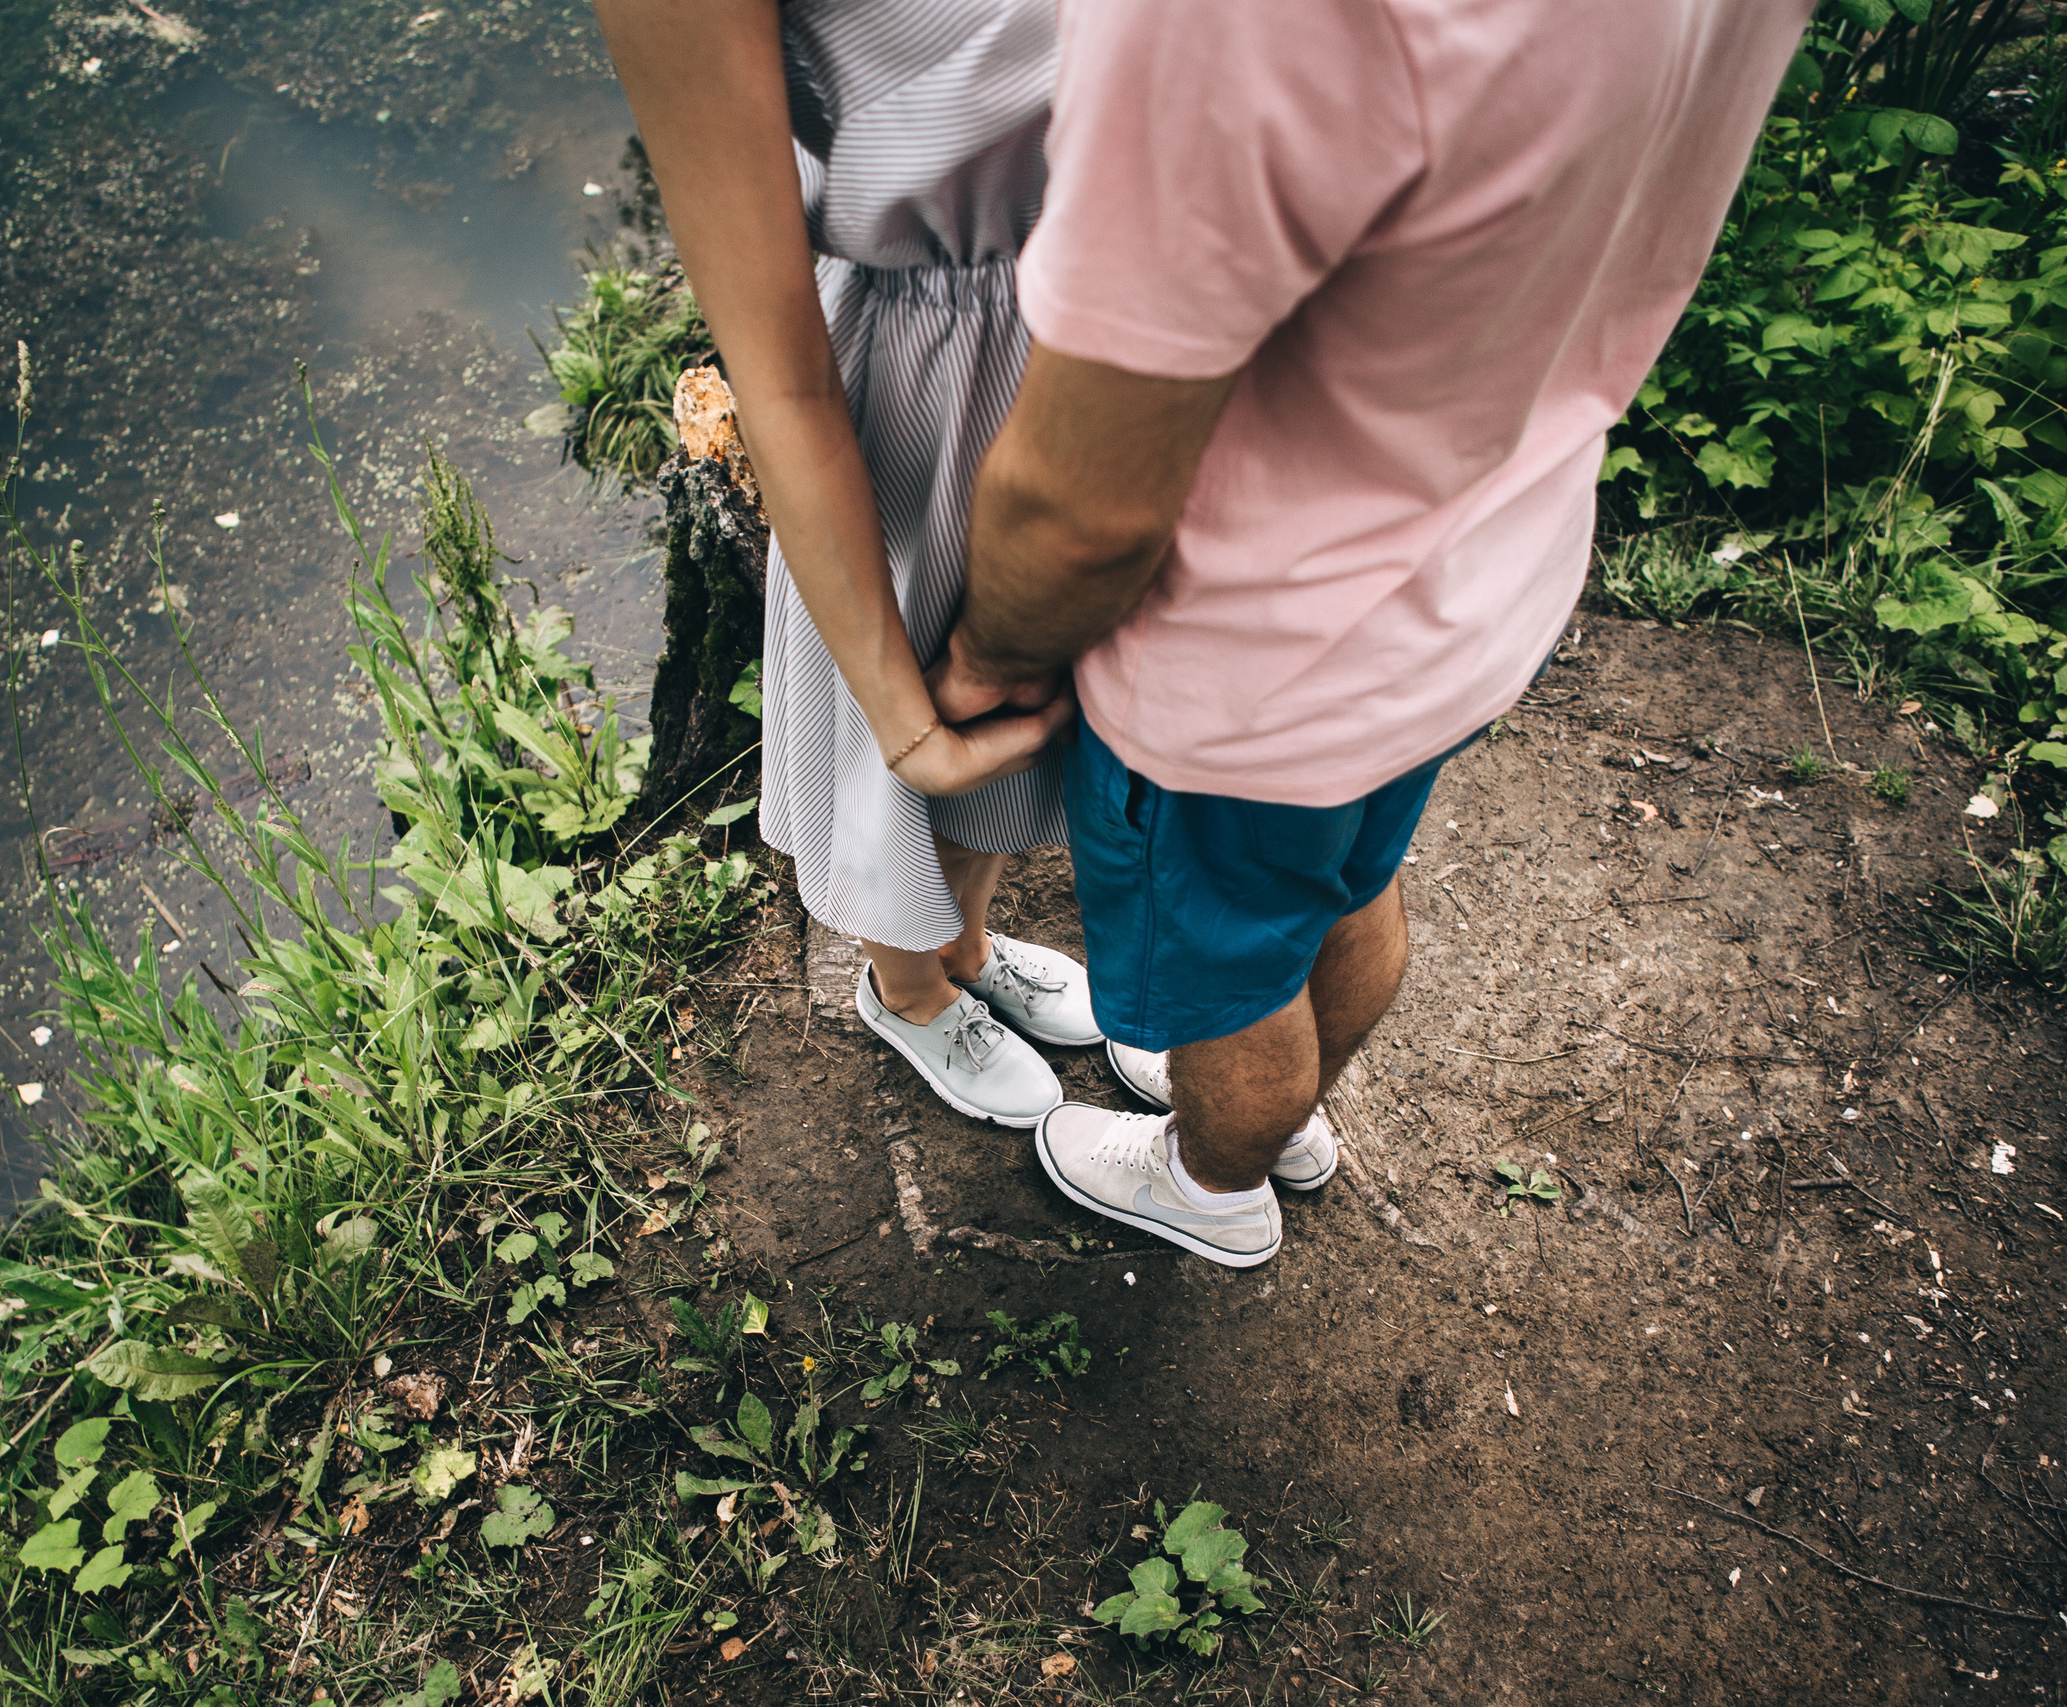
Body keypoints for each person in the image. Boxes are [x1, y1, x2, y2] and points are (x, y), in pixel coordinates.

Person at [936, 0, 1818, 1267]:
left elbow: (1080, 508)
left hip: (1249, 663)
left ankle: (1210, 1179)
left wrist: (987, 656)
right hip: (1479, 577)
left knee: (1226, 979)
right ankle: (1282, 1129)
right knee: (1345, 885)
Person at [596, 0, 1098, 1127]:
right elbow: (775, 374)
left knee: (1028, 709)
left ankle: (963, 943)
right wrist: (899, 720)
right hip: (929, 354)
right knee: (919, 714)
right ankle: (905, 989)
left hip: (1093, 331)